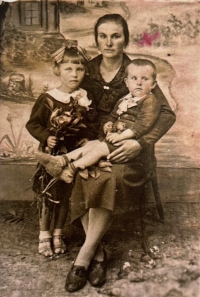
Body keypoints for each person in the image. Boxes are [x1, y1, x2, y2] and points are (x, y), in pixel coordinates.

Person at [37, 58, 161, 184]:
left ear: (153, 84)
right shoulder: (125, 99)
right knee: (91, 145)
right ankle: (61, 160)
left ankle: (70, 170)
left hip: (128, 143)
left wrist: (120, 137)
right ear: (126, 82)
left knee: (100, 148)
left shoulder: (149, 101)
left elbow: (142, 126)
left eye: (145, 79)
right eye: (134, 79)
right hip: (115, 138)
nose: (139, 83)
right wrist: (108, 124)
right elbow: (113, 115)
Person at [26, 46, 97, 258]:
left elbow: (91, 124)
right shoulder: (48, 98)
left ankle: (58, 233)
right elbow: (33, 124)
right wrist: (46, 136)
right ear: (57, 70)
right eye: (68, 69)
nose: (74, 74)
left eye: (80, 69)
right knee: (48, 194)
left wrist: (88, 137)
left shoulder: (84, 98)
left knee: (66, 196)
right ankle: (44, 234)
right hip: (52, 154)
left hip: (73, 154)